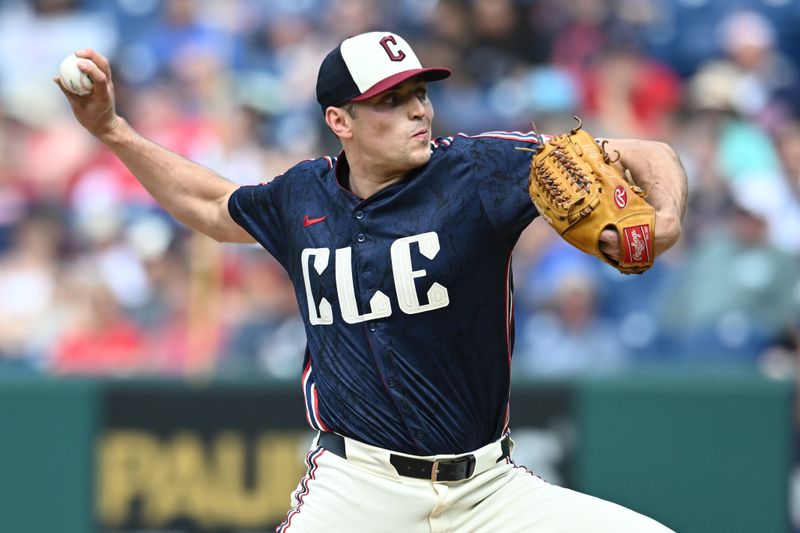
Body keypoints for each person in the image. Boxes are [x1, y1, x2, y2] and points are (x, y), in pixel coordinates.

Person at [57, 31, 686, 533]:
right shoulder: (301, 196)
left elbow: (646, 151)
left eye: (420, 92)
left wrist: (666, 220)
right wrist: (111, 129)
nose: (417, 109)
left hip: (489, 493)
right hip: (359, 490)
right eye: (390, 99)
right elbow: (209, 207)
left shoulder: (477, 169)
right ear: (341, 120)